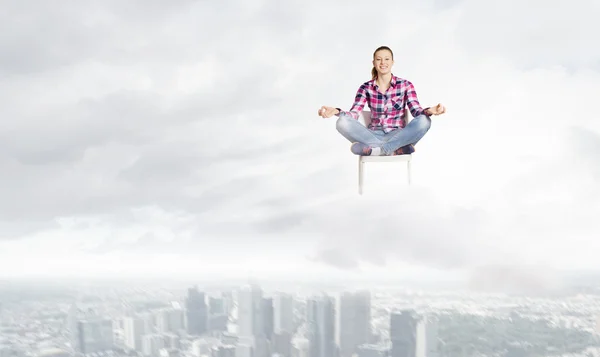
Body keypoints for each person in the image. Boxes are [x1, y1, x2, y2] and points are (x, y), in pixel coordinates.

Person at [318, 45, 446, 156]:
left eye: (386, 59)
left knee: (424, 120)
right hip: (373, 135)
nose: (382, 62)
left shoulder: (406, 85)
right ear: (373, 62)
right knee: (342, 122)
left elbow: (416, 111)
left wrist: (430, 111)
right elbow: (354, 113)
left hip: (398, 135)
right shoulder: (365, 87)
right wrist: (337, 112)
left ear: (392, 62)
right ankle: (395, 150)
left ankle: (378, 150)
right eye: (379, 59)